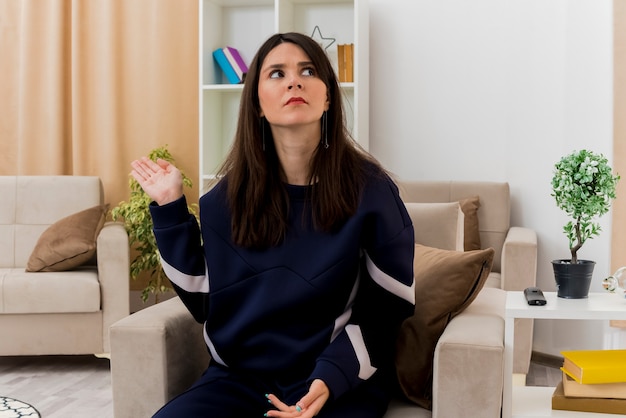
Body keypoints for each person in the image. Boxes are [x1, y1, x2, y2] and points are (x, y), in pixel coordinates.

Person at [130, 32, 415, 418]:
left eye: (308, 70)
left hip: (333, 379)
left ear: (328, 96)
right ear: (258, 104)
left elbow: (389, 309)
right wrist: (169, 207)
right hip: (238, 380)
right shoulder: (224, 200)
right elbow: (202, 300)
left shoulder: (373, 193)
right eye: (277, 73)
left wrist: (330, 377)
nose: (294, 81)